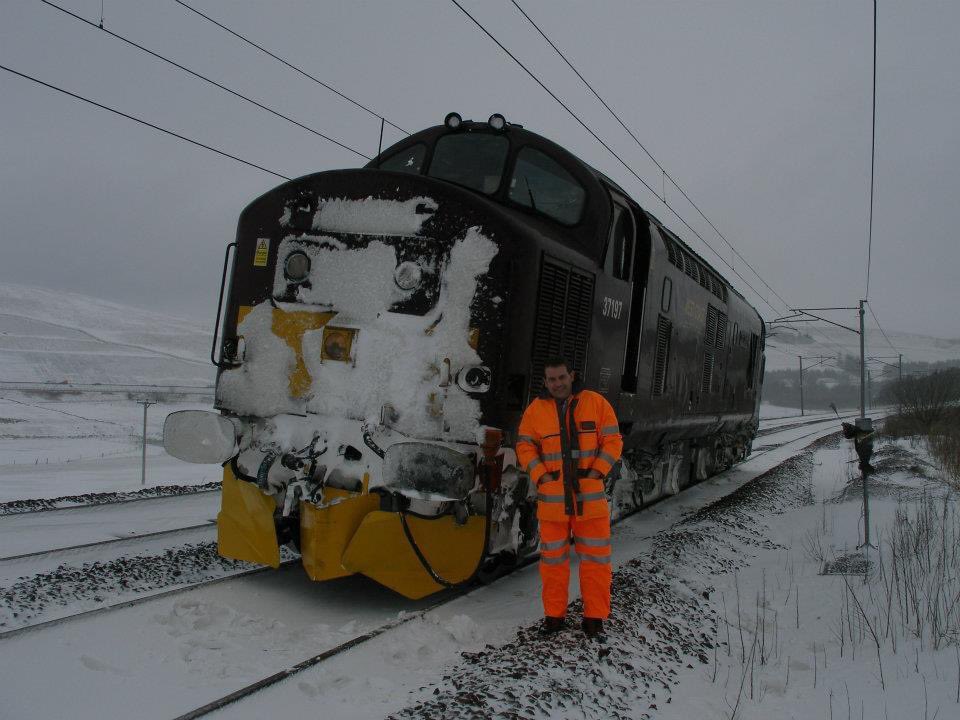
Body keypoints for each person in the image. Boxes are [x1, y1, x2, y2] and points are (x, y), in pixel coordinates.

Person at [516, 357, 622, 637]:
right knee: (553, 565)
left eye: (561, 377)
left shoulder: (596, 403)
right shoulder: (535, 410)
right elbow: (524, 446)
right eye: (551, 379)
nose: (557, 384)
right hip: (552, 506)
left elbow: (614, 441)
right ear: (545, 381)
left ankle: (594, 619)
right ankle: (554, 618)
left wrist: (597, 472)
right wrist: (540, 475)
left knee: (596, 562)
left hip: (589, 503)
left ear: (571, 375)